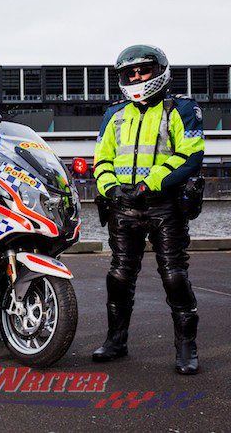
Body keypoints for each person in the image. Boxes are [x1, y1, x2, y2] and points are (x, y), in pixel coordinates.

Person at [92, 44, 204, 375]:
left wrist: (149, 183)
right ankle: (116, 341)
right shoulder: (114, 114)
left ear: (160, 71)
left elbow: (191, 155)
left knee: (174, 276)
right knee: (119, 275)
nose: (137, 76)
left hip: (164, 206)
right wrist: (110, 188)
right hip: (123, 207)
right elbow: (102, 158)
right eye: (131, 72)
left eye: (143, 70)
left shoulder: (181, 108)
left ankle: (186, 347)